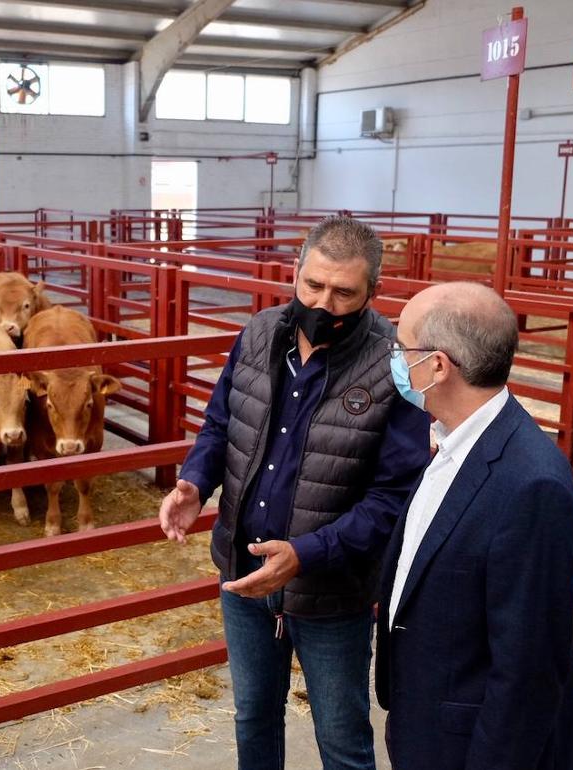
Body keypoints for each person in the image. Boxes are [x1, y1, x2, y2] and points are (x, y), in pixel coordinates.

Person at [159, 216, 430, 770]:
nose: (323, 303)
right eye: (313, 285)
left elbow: (395, 497)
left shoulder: (394, 365)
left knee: (342, 737)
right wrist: (195, 481)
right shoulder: (259, 333)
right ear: (296, 273)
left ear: (371, 293)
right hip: (243, 570)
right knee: (254, 715)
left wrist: (306, 555)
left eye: (343, 292)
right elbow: (220, 422)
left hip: (332, 591)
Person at [376, 281, 573, 770]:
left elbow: (529, 671)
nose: (394, 359)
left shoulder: (532, 486)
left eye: (400, 347)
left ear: (437, 366)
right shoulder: (454, 442)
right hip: (427, 721)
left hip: (472, 746)